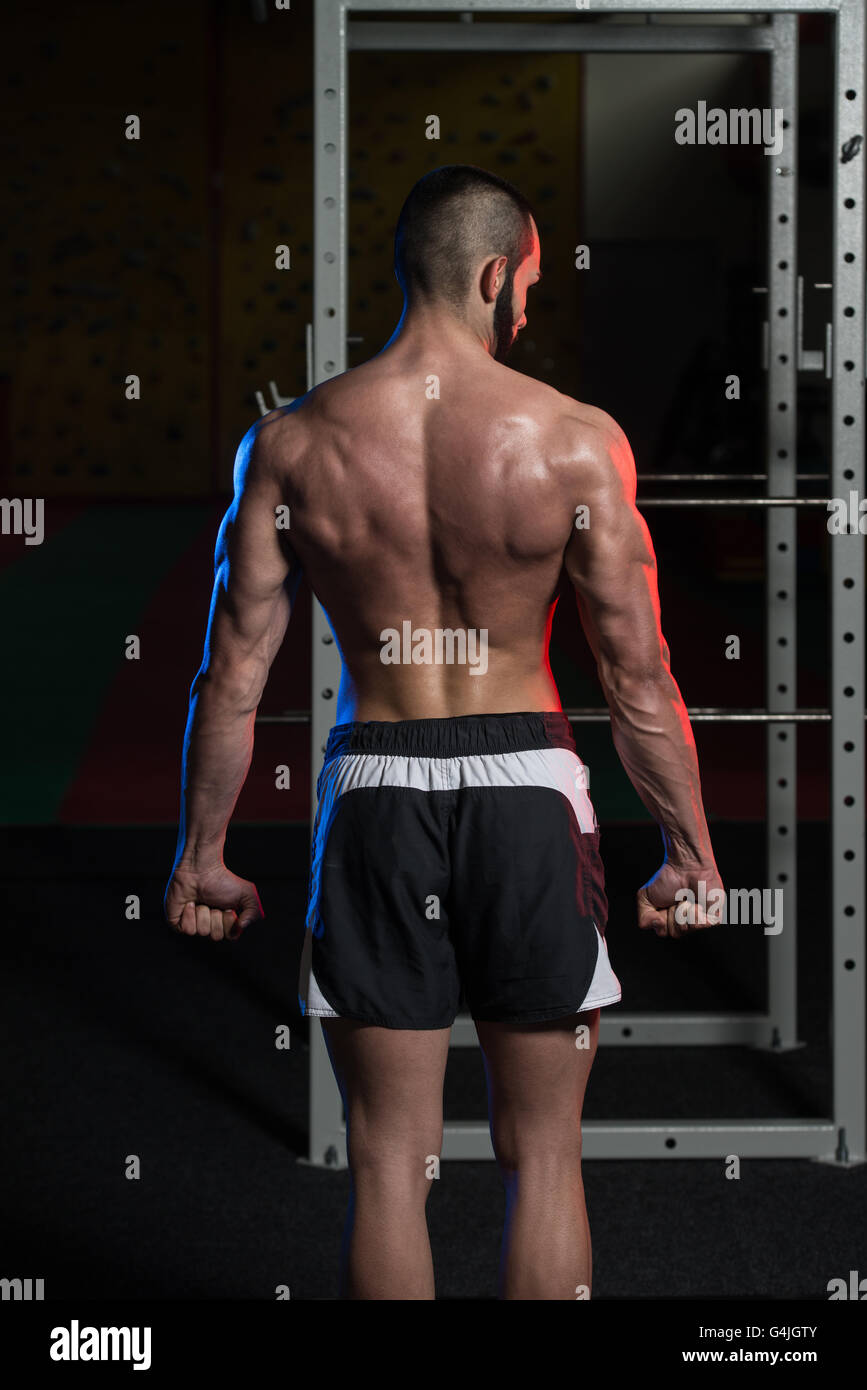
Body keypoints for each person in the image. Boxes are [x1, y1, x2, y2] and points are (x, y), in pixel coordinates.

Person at [164, 165, 724, 1300]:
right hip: (528, 786)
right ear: (489, 275)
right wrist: (693, 853)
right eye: (525, 285)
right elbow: (640, 677)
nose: (528, 309)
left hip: (374, 791)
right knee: (546, 1156)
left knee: (387, 1164)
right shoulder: (576, 443)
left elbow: (229, 677)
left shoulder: (291, 445)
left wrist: (201, 854)